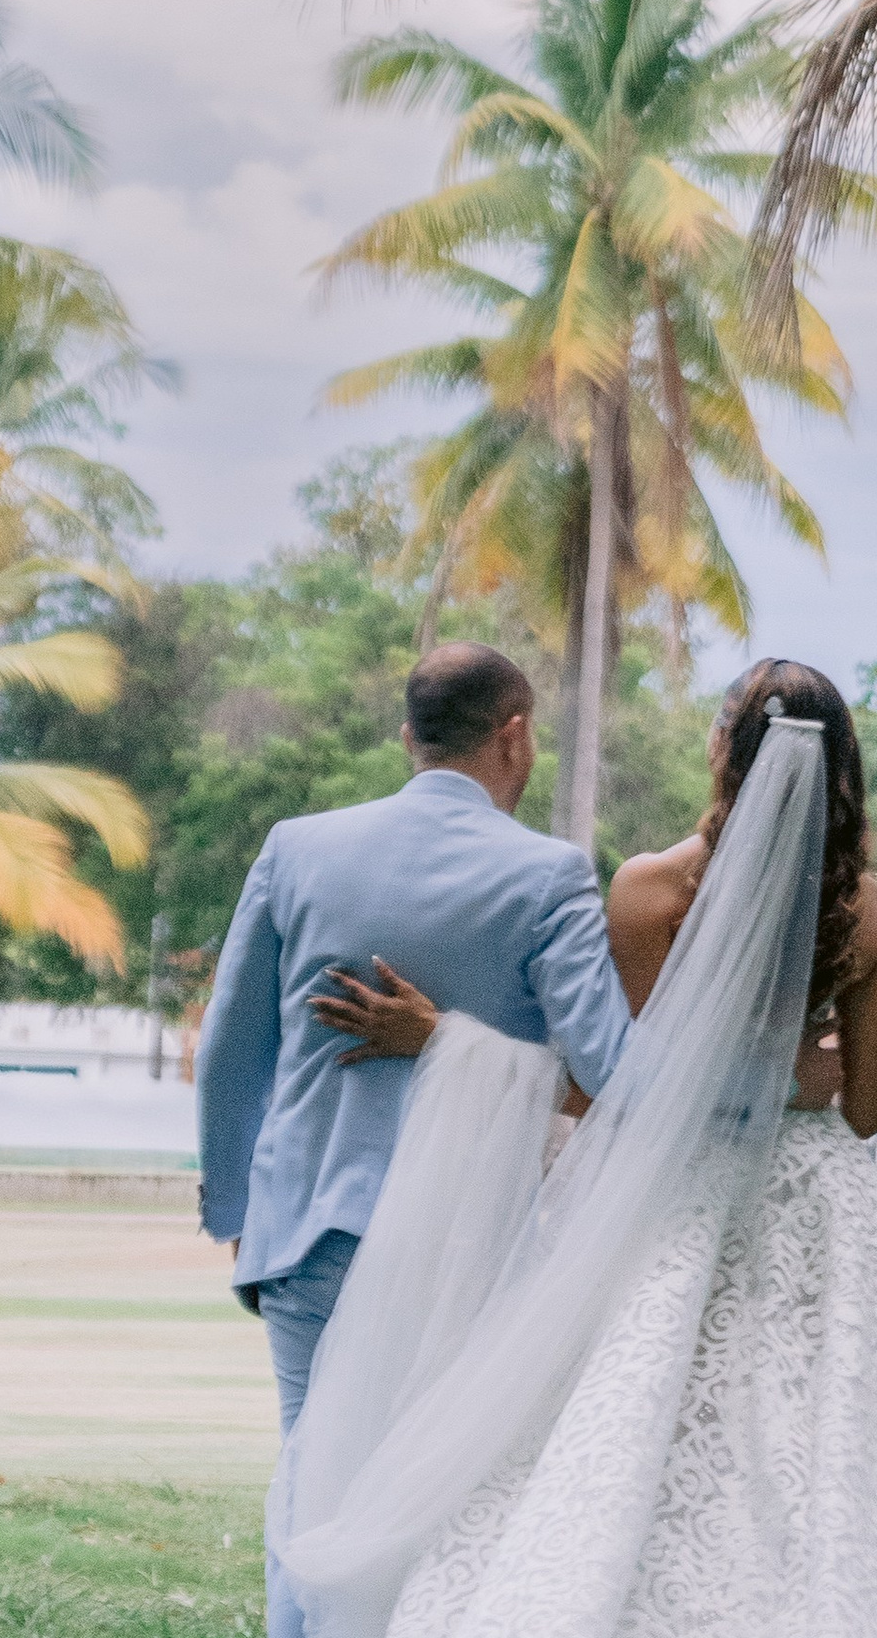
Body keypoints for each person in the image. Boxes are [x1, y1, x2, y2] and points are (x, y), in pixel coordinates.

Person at [270, 659, 877, 1638]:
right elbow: (865, 1109)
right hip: (811, 1203)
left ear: (721, 752)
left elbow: (604, 1080)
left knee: (629, 1406)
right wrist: (802, 1079)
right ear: (842, 766)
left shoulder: (651, 888)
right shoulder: (865, 913)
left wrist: (459, 1051)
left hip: (675, 1191)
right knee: (812, 1423)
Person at [195, 641, 633, 1638]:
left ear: (407, 737)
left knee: (313, 1487)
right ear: (513, 735)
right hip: (468, 1246)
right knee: (443, 1500)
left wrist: (234, 1203)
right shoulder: (549, 874)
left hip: (306, 1230)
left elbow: (231, 1044)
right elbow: (612, 1068)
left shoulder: (297, 846)